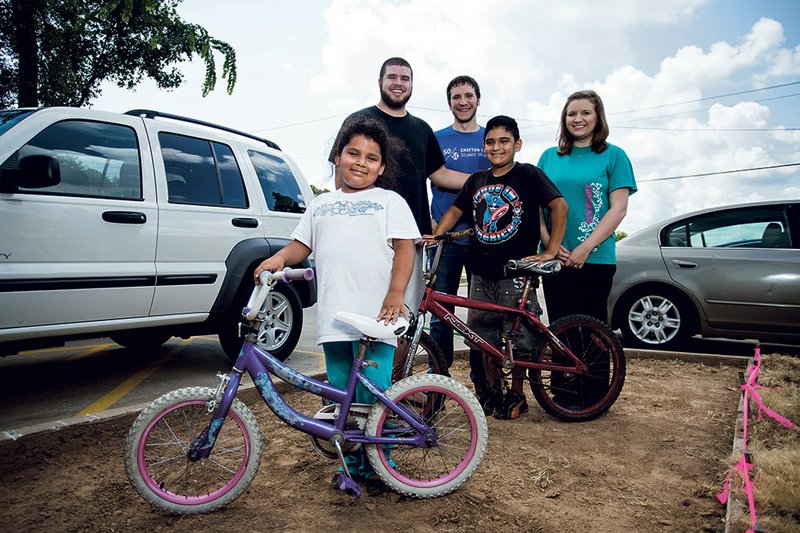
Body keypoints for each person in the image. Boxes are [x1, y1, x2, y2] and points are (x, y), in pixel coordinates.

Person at [255, 116, 420, 496]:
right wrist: (278, 259)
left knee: (374, 398)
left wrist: (395, 294)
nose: (361, 162)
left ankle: (384, 468)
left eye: (371, 158)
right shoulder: (321, 204)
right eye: (353, 153)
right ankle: (359, 467)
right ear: (338, 157)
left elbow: (405, 247)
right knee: (345, 399)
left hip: (376, 318)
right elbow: (301, 246)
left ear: (382, 167)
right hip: (334, 320)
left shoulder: (388, 201)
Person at [427, 115, 568, 420]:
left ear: (517, 144)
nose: (496, 147)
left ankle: (517, 394)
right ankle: (493, 392)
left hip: (516, 273)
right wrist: (438, 234)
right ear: (484, 146)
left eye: (504, 141)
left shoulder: (528, 175)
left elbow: (559, 205)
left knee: (519, 339)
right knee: (483, 339)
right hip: (481, 272)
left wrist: (552, 249)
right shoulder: (477, 180)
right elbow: (455, 208)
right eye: (490, 141)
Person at [329, 57, 470, 312]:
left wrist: (485, 180)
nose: (398, 83)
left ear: (412, 85)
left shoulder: (421, 129)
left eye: (405, 79)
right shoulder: (357, 121)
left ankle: (399, 354)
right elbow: (341, 180)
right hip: (365, 233)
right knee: (362, 310)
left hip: (409, 236)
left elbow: (440, 174)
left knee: (404, 313)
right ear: (380, 81)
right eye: (392, 77)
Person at [537, 90, 637, 324]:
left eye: (585, 113)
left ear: (598, 117)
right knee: (561, 332)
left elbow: (618, 209)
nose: (577, 119)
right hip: (555, 260)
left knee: (593, 333)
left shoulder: (615, 156)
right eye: (571, 113)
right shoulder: (549, 157)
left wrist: (585, 247)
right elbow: (536, 208)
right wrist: (551, 245)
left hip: (595, 259)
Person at [431, 75, 490, 389]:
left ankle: (482, 381)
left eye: (469, 95)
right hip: (447, 237)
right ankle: (439, 379)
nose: (463, 101)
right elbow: (435, 176)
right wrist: (481, 180)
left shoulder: (491, 137)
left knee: (481, 313)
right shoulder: (437, 139)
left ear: (479, 99)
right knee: (440, 311)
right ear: (449, 102)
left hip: (486, 238)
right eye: (456, 97)